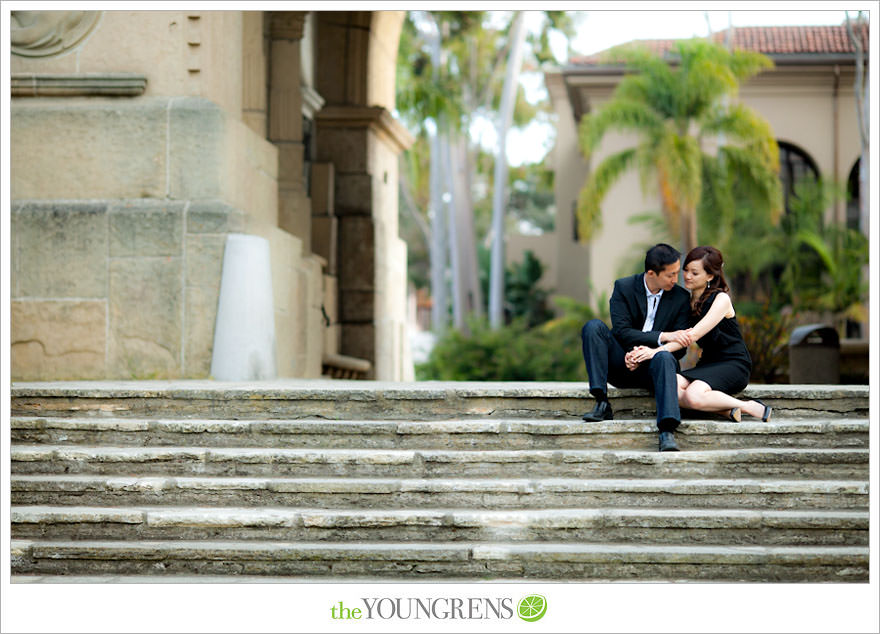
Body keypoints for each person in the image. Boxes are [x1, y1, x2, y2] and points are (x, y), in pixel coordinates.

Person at [628, 246, 771, 423]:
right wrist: (642, 352)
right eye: (686, 270)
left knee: (693, 396)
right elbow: (676, 335)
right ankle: (726, 410)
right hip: (708, 363)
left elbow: (692, 336)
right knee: (666, 384)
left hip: (733, 363)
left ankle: (748, 406)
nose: (687, 276)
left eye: (694, 273)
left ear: (710, 276)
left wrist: (654, 352)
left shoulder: (721, 300)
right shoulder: (685, 303)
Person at [581, 243, 693, 452]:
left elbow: (680, 348)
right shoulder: (624, 287)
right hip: (622, 363)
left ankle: (667, 431)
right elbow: (622, 331)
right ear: (651, 273)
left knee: (666, 357)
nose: (675, 280)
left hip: (656, 368)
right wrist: (663, 336)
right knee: (593, 327)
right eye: (670, 275)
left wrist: (646, 354)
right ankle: (601, 402)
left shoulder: (680, 298)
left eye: (677, 273)